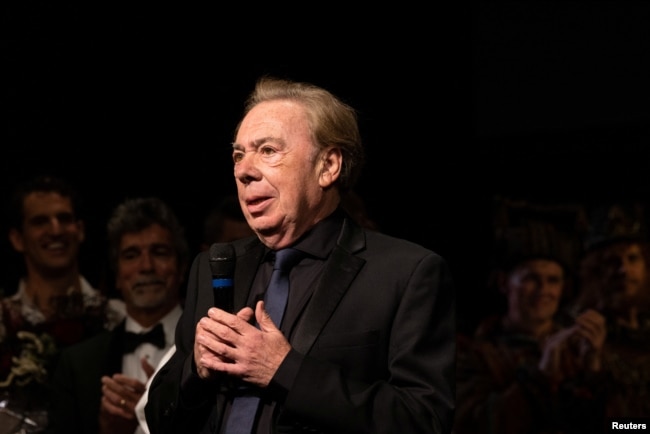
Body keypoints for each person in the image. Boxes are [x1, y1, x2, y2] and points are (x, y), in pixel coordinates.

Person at [145, 76, 456, 434]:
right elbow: (159, 419)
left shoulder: (405, 274)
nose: (244, 170)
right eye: (238, 154)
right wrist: (195, 370)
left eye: (268, 151)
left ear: (328, 166)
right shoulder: (213, 266)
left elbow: (423, 421)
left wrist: (284, 370)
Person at [455, 202, 608, 434]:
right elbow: (473, 424)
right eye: (531, 278)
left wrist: (592, 373)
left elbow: (622, 426)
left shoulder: (577, 348)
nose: (543, 290)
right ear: (504, 283)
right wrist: (540, 377)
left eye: (553, 280)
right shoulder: (473, 352)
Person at [49, 197, 190, 434]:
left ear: (182, 268)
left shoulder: (210, 348)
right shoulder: (77, 365)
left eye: (160, 252)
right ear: (116, 275)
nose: (146, 266)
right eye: (131, 255)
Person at [0, 175, 123, 432]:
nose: (55, 230)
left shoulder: (117, 316)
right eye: (40, 221)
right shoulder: (2, 322)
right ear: (17, 239)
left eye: (64, 219)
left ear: (80, 230)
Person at [569, 201, 650, 418]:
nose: (623, 270)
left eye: (632, 259)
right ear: (596, 271)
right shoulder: (583, 334)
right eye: (612, 262)